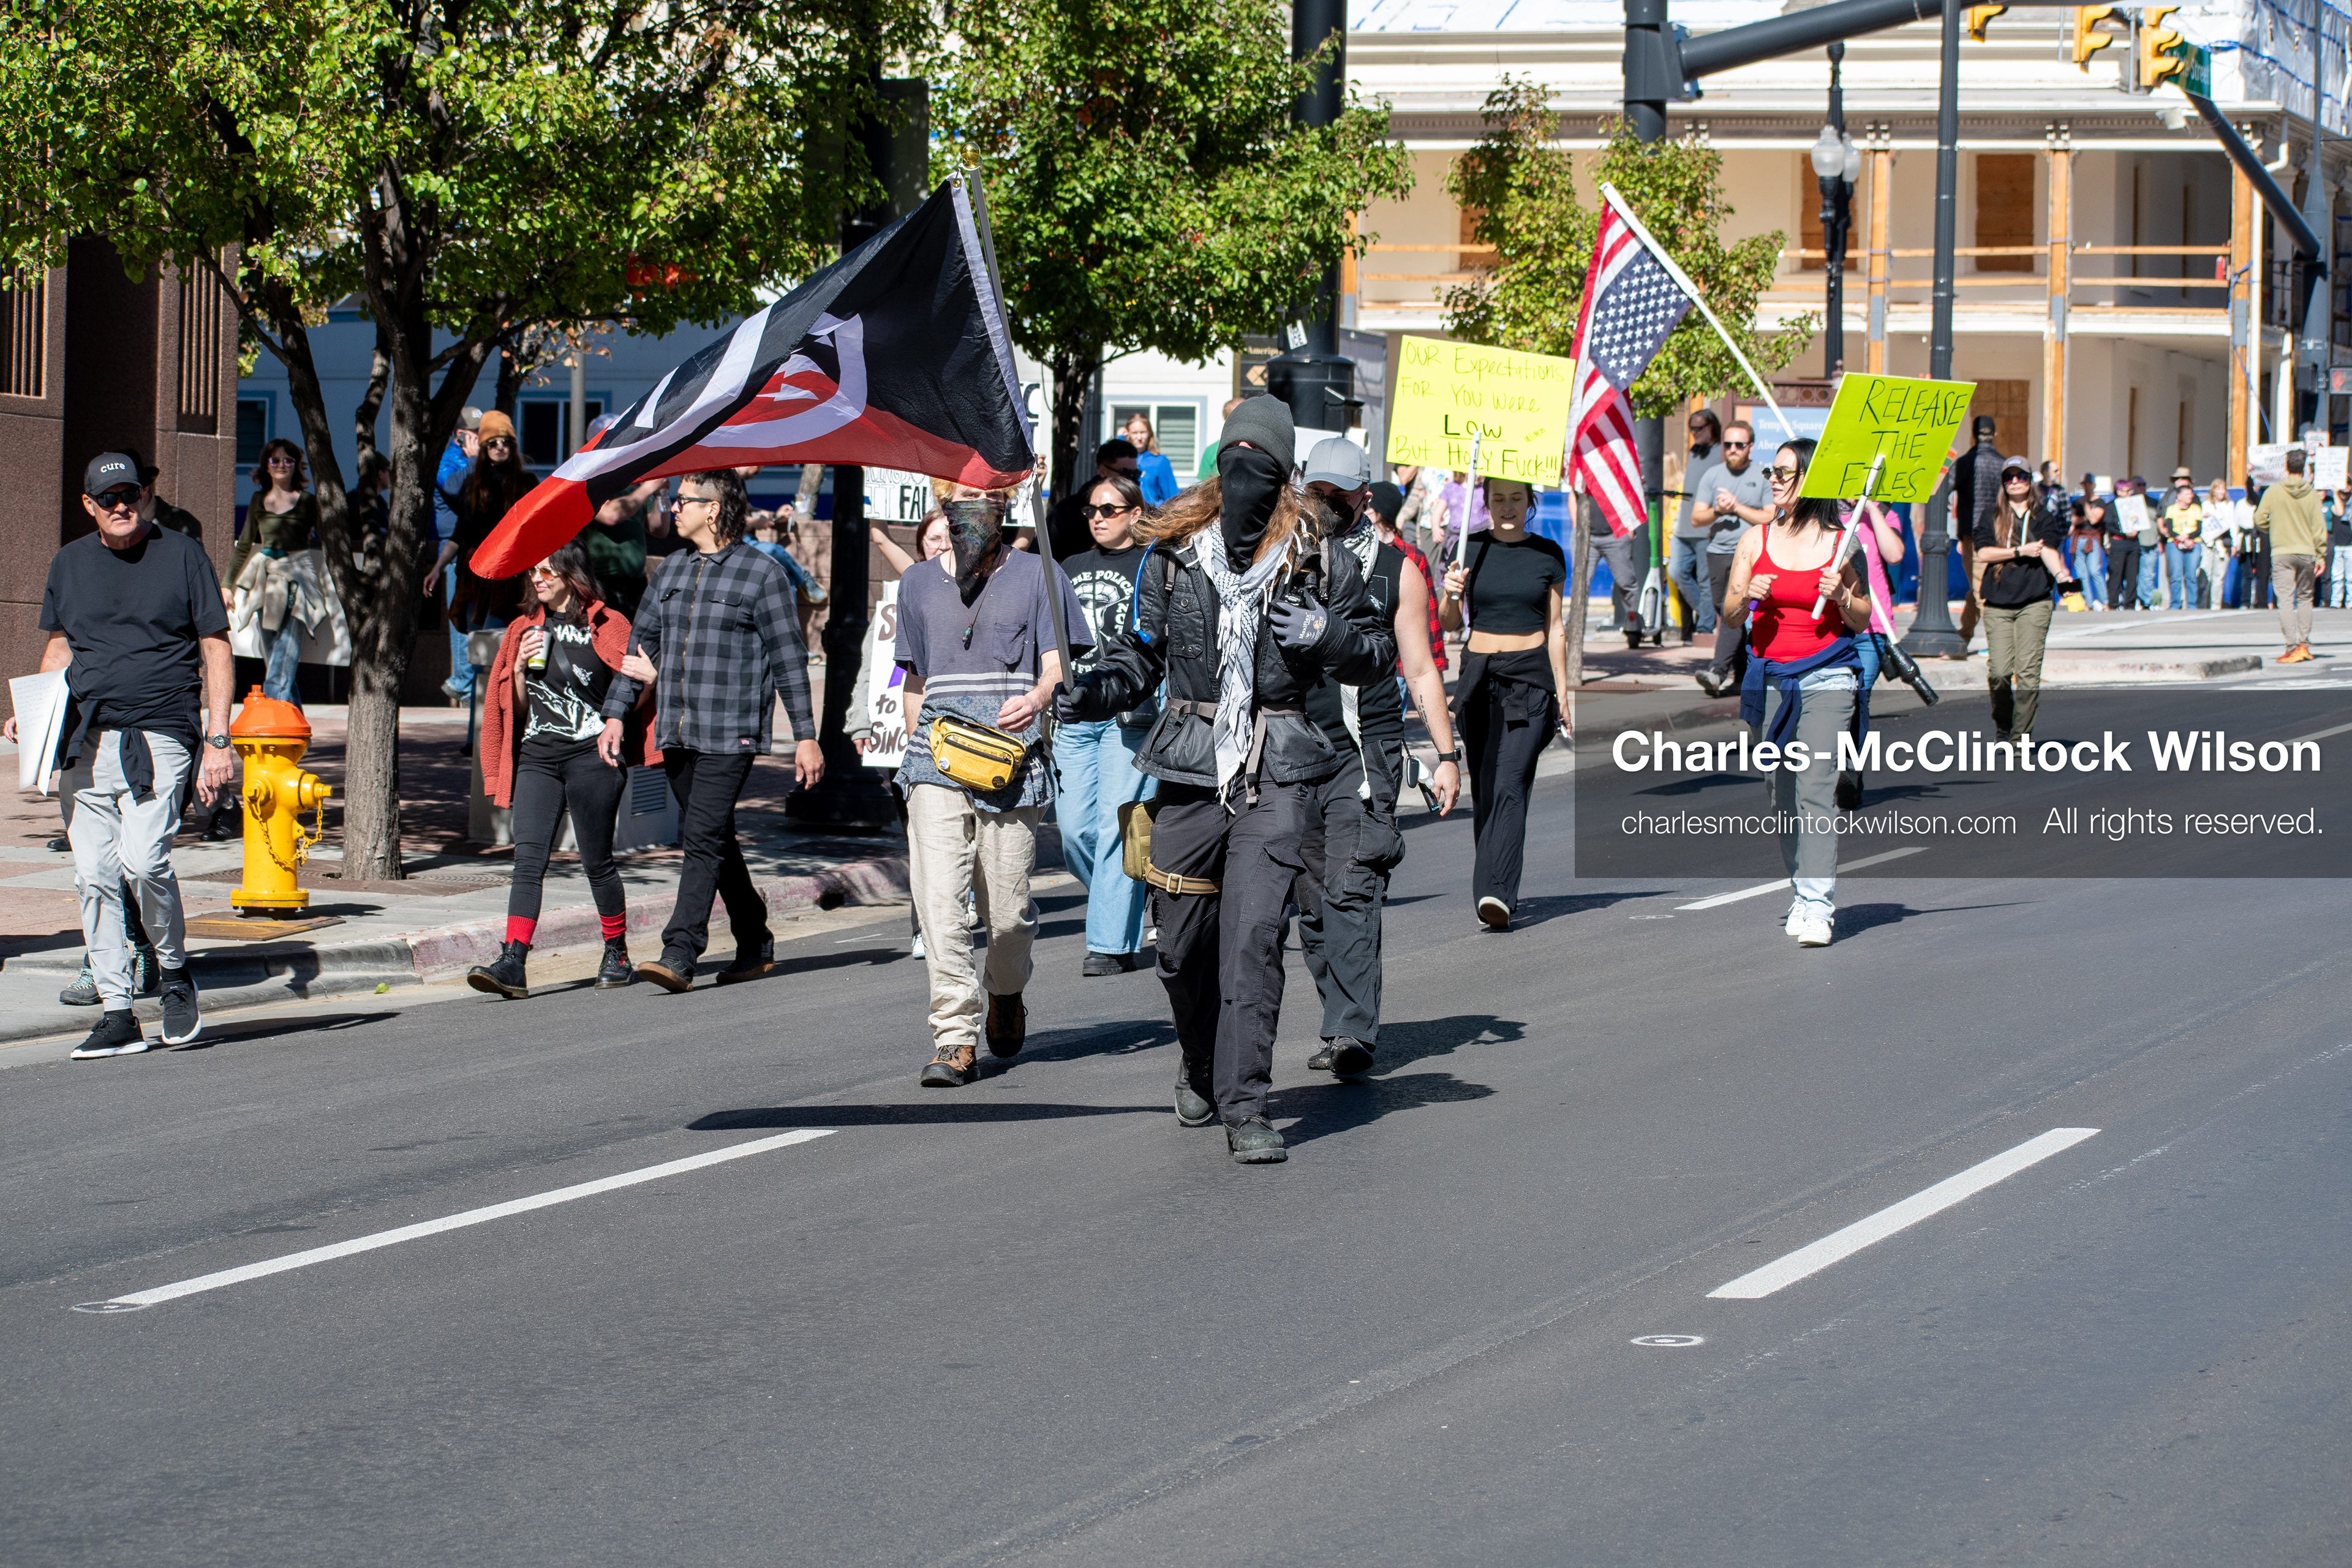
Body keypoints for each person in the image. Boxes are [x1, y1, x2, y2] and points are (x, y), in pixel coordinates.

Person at [1062, 396, 1393, 1163]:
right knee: (1180, 950)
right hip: (1187, 761)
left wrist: (1328, 633)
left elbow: (1376, 656)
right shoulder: (1173, 555)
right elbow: (1139, 658)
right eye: (1234, 458)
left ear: (1282, 477)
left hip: (1278, 766)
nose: (1246, 473)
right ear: (1219, 466)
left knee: (1252, 939)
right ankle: (1199, 1060)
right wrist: (1094, 688)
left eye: (1262, 463)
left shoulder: (1319, 556)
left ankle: (1248, 1104)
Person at [6, 453, 236, 1058]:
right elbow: (60, 647)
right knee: (93, 875)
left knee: (144, 861)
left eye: (129, 493)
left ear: (143, 495)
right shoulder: (69, 563)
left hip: (160, 734)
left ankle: (175, 969)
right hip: (83, 738)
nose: (120, 505)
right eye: (107, 497)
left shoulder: (183, 555)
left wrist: (218, 739)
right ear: (88, 504)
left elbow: (214, 646)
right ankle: (117, 1010)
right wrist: (35, 715)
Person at [895, 492, 1090, 1087]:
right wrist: (916, 749)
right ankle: (954, 1037)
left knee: (1007, 914)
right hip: (937, 761)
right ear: (942, 507)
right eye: (959, 502)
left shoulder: (1040, 574)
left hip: (1012, 764)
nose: (971, 514)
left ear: (1005, 507)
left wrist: (1035, 698)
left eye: (985, 502)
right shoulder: (918, 584)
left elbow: (1060, 665)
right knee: (939, 904)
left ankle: (1006, 989)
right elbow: (916, 679)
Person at [618, 470, 824, 990]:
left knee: (701, 834)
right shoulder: (669, 572)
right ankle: (754, 939)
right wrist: (616, 714)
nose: (674, 507)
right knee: (715, 836)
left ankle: (680, 950)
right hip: (678, 730)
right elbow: (638, 652)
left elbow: (789, 659)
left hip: (731, 731)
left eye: (682, 500)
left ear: (713, 509)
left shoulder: (762, 574)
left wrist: (805, 734)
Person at [1294, 438, 1460, 1077]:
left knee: (1351, 886)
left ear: (1366, 495)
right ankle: (1339, 1012)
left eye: (1340, 492)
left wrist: (1444, 755)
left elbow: (1419, 667)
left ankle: (1351, 1033)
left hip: (1364, 751)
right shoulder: (1284, 558)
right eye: (1319, 491)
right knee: (1310, 901)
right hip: (1290, 746)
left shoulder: (1397, 569)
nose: (1328, 502)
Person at [467, 545, 660, 999]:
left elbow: (629, 702)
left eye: (547, 571)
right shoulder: (521, 629)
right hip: (538, 758)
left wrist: (650, 682)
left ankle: (617, 951)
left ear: (572, 575)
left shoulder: (611, 625)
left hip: (592, 756)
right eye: (534, 572)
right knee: (528, 860)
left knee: (596, 862)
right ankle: (513, 960)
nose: (537, 579)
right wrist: (515, 671)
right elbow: (514, 709)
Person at [1724, 438, 1873, 948]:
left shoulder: (1842, 544)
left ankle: (1817, 903)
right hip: (1773, 678)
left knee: (1815, 785)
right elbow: (1729, 613)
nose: (1775, 480)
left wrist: (1843, 595)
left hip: (1830, 673)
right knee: (1781, 792)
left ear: (1812, 480)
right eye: (1773, 471)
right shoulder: (1754, 540)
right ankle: (1801, 890)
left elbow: (1863, 617)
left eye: (1786, 473)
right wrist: (1749, 595)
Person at [1440, 476, 1569, 932]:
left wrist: (1564, 692)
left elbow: (1556, 629)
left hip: (1531, 679)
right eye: (1499, 499)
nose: (1508, 507)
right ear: (1487, 503)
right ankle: (1490, 888)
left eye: (1517, 498)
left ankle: (1498, 889)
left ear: (1530, 502)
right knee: (1490, 787)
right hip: (1479, 676)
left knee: (1513, 781)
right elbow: (1449, 622)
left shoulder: (1548, 555)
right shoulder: (1467, 549)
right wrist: (1452, 592)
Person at [1054, 473, 1158, 976]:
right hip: (1074, 713)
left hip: (1128, 713)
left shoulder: (1152, 565)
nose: (1097, 517)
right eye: (1092, 510)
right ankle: (1133, 897)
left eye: (1110, 509)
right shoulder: (1069, 568)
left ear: (1136, 514)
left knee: (1115, 823)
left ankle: (1111, 945)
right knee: (1074, 830)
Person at [852, 510, 956, 960]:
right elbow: (873, 665)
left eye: (950, 537)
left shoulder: (980, 591)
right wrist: (861, 720)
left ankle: (961, 903)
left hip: (961, 733)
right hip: (905, 737)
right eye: (933, 539)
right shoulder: (902, 597)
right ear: (920, 547)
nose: (942, 546)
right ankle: (926, 927)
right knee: (920, 833)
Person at [434, 411, 533, 712]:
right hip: (478, 578)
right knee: (483, 655)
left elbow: (533, 530)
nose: (500, 447)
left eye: (506, 442)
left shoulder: (527, 481)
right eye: (493, 443)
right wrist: (437, 568)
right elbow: (461, 532)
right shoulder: (472, 484)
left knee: (513, 655)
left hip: (514, 578)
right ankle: (476, 736)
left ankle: (503, 733)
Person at [1975, 457, 2073, 742]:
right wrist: (2020, 551)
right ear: (2003, 483)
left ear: (2031, 481)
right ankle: (2004, 727)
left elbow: (2048, 551)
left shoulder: (2042, 516)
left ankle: (2019, 738)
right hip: (1997, 603)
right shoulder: (1990, 516)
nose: (2016, 481)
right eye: (2010, 477)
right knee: (2000, 673)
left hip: (2035, 602)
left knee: (2028, 675)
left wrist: (2061, 576)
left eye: (2022, 476)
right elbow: (1984, 553)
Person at [225, 438, 325, 704]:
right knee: (276, 661)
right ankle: (296, 733)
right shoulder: (259, 499)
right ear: (266, 466)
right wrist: (227, 585)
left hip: (297, 580)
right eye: (275, 460)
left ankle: (273, 714)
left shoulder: (308, 501)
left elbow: (330, 540)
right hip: (266, 583)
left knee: (285, 655)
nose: (282, 465)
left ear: (297, 466)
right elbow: (244, 544)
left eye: (288, 460)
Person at [1691, 421, 1775, 696]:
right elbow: (1696, 518)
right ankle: (1743, 675)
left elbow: (1771, 516)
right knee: (1725, 611)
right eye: (1728, 445)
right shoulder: (1712, 476)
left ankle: (1717, 672)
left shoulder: (1763, 476)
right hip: (1718, 552)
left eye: (1739, 445)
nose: (1733, 450)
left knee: (1734, 611)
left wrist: (1737, 507)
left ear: (1750, 446)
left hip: (1752, 555)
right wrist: (1718, 510)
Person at [2252, 445, 2325, 663]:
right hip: (2306, 551)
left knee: (2285, 600)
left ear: (2286, 467)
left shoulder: (2274, 491)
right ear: (2304, 469)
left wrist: (2272, 529)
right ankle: (2304, 644)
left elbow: (2259, 519)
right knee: (2305, 599)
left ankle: (2291, 646)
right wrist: (2320, 555)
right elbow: (2319, 528)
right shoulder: (2311, 493)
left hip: (2282, 551)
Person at [1369, 480, 1445, 676]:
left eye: (1368, 506)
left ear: (1381, 512)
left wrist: (1435, 660)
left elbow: (1430, 612)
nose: (1362, 511)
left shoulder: (1413, 557)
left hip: (1401, 660)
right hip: (1365, 655)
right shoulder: (1354, 551)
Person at [433, 408, 483, 699]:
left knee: (475, 618)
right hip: (454, 552)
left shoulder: (473, 460)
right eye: (475, 433)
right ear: (460, 435)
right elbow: (453, 489)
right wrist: (475, 459)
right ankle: (462, 682)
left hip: (477, 547)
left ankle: (467, 682)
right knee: (461, 618)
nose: (480, 438)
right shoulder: (448, 459)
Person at [1948, 414, 2003, 656]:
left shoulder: (1966, 462)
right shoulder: (2003, 463)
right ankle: (1964, 636)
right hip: (2000, 534)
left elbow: (1943, 488)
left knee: (1980, 589)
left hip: (1974, 534)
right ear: (1995, 434)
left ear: (1973, 434)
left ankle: (1999, 643)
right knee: (1978, 587)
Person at [1667, 409, 1724, 646]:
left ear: (1712, 427)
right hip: (1684, 526)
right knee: (1676, 571)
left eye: (1699, 428)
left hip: (1705, 526)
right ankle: (1708, 615)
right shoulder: (1694, 452)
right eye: (1691, 428)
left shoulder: (1721, 452)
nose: (1694, 433)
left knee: (1704, 578)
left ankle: (1705, 626)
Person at [1046, 439, 1144, 560]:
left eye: (1136, 474)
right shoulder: (1068, 511)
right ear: (1103, 471)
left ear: (1135, 514)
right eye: (1126, 473)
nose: (1131, 480)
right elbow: (1052, 554)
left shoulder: (1144, 510)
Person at [1119, 412, 1182, 506]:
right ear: (1128, 435)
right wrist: (1120, 439)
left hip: (1151, 516)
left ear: (1149, 434)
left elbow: (1171, 496)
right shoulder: (1121, 459)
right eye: (1135, 433)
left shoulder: (1160, 461)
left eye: (1143, 432)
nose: (1139, 437)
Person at [2161, 478, 2204, 609]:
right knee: (2176, 576)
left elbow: (2198, 528)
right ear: (2179, 496)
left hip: (2193, 543)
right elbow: (2169, 527)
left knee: (2191, 576)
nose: (2190, 497)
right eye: (2187, 494)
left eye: (2191, 494)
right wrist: (2180, 538)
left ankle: (2192, 605)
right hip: (2175, 543)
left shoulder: (2196, 508)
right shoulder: (2172, 509)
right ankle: (2175, 604)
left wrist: (2188, 538)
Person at [2069, 494, 2109, 609]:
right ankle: (2088, 603)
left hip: (2092, 539)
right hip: (2078, 538)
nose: (2087, 487)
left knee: (2094, 570)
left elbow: (2094, 519)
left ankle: (2104, 601)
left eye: (2089, 484)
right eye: (2085, 484)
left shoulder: (2100, 502)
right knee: (2081, 573)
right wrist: (2088, 515)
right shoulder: (2077, 501)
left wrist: (2085, 505)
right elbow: (2072, 520)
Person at [2329, 477, 2352, 609]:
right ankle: (2336, 601)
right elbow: (2339, 511)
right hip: (2338, 544)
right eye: (2346, 484)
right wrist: (2335, 492)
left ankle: (2350, 600)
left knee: (2350, 577)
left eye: (2350, 484)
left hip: (2350, 545)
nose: (2348, 486)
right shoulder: (2333, 501)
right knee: (2337, 576)